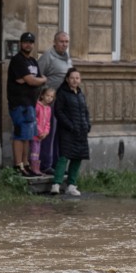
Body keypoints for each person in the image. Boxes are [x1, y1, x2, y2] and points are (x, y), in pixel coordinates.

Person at [6, 31, 46, 175]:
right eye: (25, 42)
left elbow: (35, 79)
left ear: (33, 45)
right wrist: (36, 80)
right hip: (19, 103)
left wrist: (36, 80)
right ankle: (18, 165)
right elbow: (32, 80)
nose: (28, 45)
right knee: (19, 134)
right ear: (21, 44)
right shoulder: (18, 60)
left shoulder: (33, 61)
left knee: (28, 135)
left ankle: (26, 163)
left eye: (30, 42)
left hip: (31, 103)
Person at [51, 68, 90, 197]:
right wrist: (69, 125)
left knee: (77, 157)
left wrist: (87, 125)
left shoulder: (80, 94)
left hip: (81, 131)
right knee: (64, 156)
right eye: (72, 78)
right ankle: (56, 184)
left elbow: (85, 111)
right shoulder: (62, 93)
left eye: (77, 78)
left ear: (80, 80)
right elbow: (58, 112)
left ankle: (71, 185)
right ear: (67, 79)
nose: (75, 80)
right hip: (67, 131)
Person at [38, 31, 72, 173]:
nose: (64, 44)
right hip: (49, 104)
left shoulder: (67, 58)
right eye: (61, 41)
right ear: (55, 42)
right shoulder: (48, 56)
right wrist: (43, 99)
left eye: (66, 42)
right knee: (48, 134)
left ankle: (58, 165)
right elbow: (38, 75)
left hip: (62, 104)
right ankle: (45, 165)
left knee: (60, 135)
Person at [33, 86, 56, 177]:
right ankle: (34, 168)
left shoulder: (49, 108)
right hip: (35, 134)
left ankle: (37, 168)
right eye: (47, 95)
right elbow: (34, 120)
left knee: (38, 150)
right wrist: (39, 131)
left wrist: (46, 132)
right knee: (34, 151)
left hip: (42, 135)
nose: (49, 98)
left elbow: (48, 123)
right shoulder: (37, 106)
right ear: (42, 95)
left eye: (51, 97)